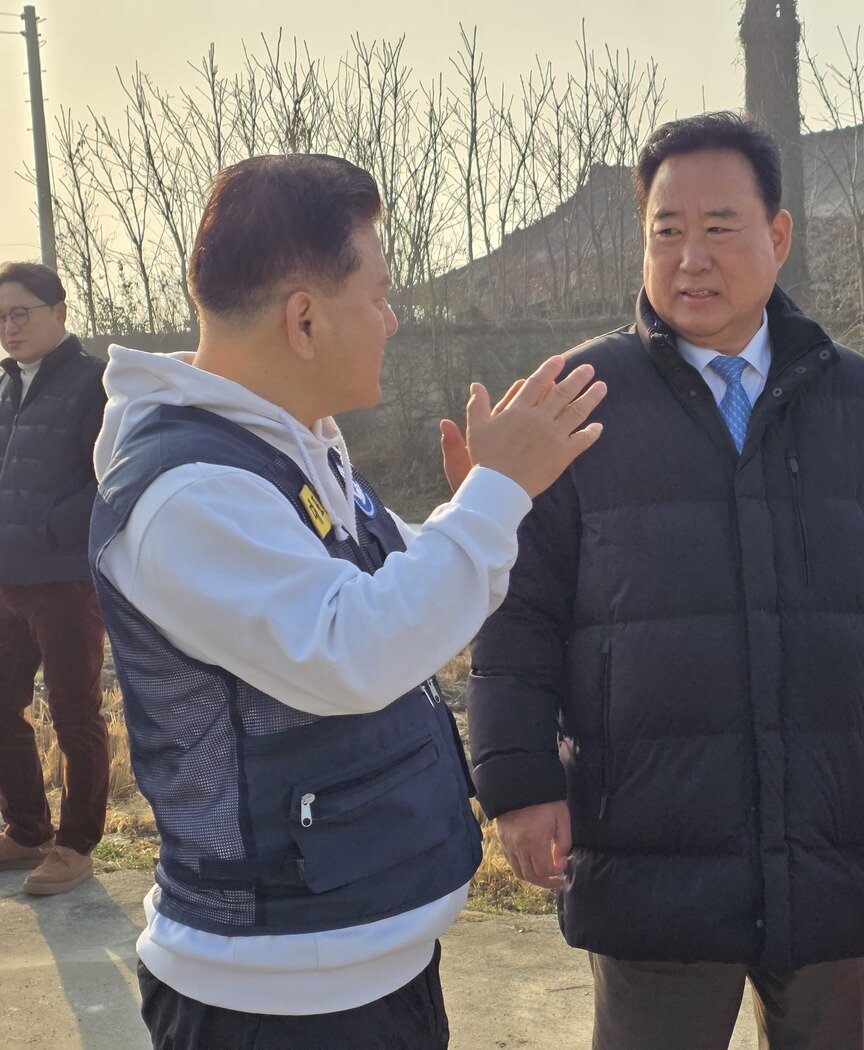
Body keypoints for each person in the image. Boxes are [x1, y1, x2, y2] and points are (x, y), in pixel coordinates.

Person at [467, 112, 864, 1049]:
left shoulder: (863, 401)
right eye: (667, 231)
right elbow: (517, 611)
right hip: (648, 838)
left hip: (828, 829)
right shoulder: (578, 401)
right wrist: (519, 782)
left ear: (778, 236)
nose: (690, 258)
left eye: (718, 227)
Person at [88, 153, 605, 1048]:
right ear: (304, 319)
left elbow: (406, 590)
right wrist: (496, 496)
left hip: (363, 963)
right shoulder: (189, 493)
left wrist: (477, 508)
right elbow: (352, 650)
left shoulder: (292, 448)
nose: (393, 320)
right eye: (380, 295)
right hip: (276, 999)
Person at [0, 262, 109, 896]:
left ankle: (75, 845)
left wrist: (51, 528)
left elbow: (112, 477)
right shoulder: (5, 385)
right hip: (6, 580)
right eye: (0, 318)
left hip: (65, 581)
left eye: (21, 313)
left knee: (74, 712)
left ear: (59, 311)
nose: (9, 328)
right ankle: (27, 830)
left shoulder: (96, 383)